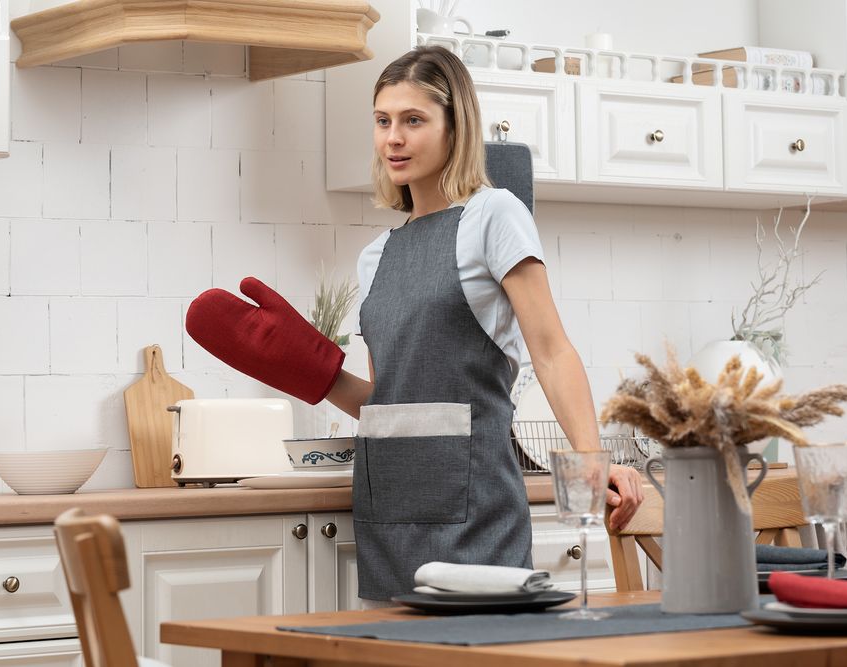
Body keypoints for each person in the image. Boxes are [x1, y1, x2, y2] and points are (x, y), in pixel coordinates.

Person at [186, 45, 643, 603]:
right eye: (382, 121)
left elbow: (552, 351)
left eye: (413, 120)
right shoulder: (376, 256)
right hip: (388, 511)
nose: (393, 139)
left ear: (455, 126)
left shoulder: (495, 216)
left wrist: (592, 459)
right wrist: (312, 371)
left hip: (477, 509)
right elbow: (390, 406)